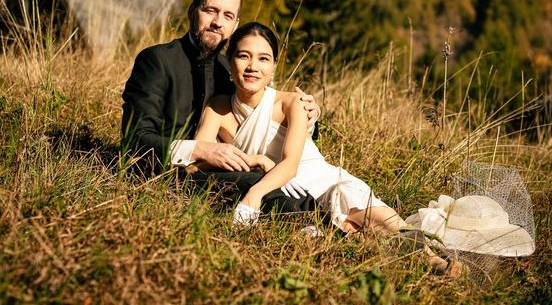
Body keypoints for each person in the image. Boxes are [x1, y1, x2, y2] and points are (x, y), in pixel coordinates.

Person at [191, 21, 462, 275]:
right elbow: (197, 161)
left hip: (313, 177)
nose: (253, 66)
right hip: (281, 191)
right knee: (353, 237)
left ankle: (431, 257)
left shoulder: (290, 102)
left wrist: (253, 195)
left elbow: (291, 164)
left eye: (263, 59)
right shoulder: (219, 108)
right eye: (243, 56)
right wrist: (254, 160)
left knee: (350, 201)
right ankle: (408, 260)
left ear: (273, 67)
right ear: (230, 62)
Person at [122, 0, 319, 212]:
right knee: (257, 183)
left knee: (279, 180)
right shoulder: (157, 61)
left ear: (235, 24)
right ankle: (312, 224)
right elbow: (135, 140)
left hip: (223, 173)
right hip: (163, 176)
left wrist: (311, 117)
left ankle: (322, 222)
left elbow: (267, 115)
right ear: (192, 11)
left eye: (227, 15)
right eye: (210, 11)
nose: (217, 22)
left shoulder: (233, 69)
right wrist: (201, 149)